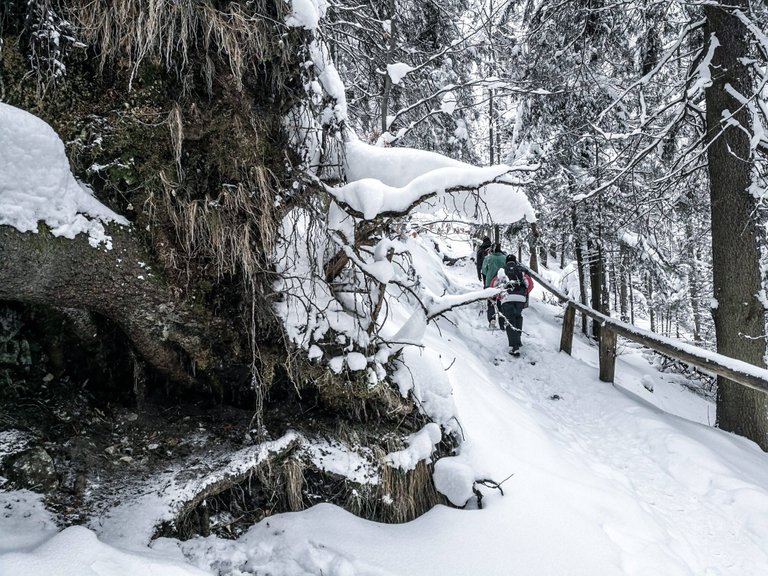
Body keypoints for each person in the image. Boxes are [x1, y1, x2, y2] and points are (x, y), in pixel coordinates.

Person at [498, 254, 528, 356]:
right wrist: (524, 293)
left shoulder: (502, 271)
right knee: (518, 317)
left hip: (507, 298)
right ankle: (518, 340)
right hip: (520, 298)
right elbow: (530, 284)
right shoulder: (522, 270)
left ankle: (514, 347)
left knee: (510, 320)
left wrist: (498, 296)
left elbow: (494, 284)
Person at [481, 243, 506, 328]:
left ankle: (492, 320)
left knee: (491, 303)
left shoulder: (488, 258)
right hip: (501, 284)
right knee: (501, 303)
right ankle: (502, 323)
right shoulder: (504, 258)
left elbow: (484, 271)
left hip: (489, 283)